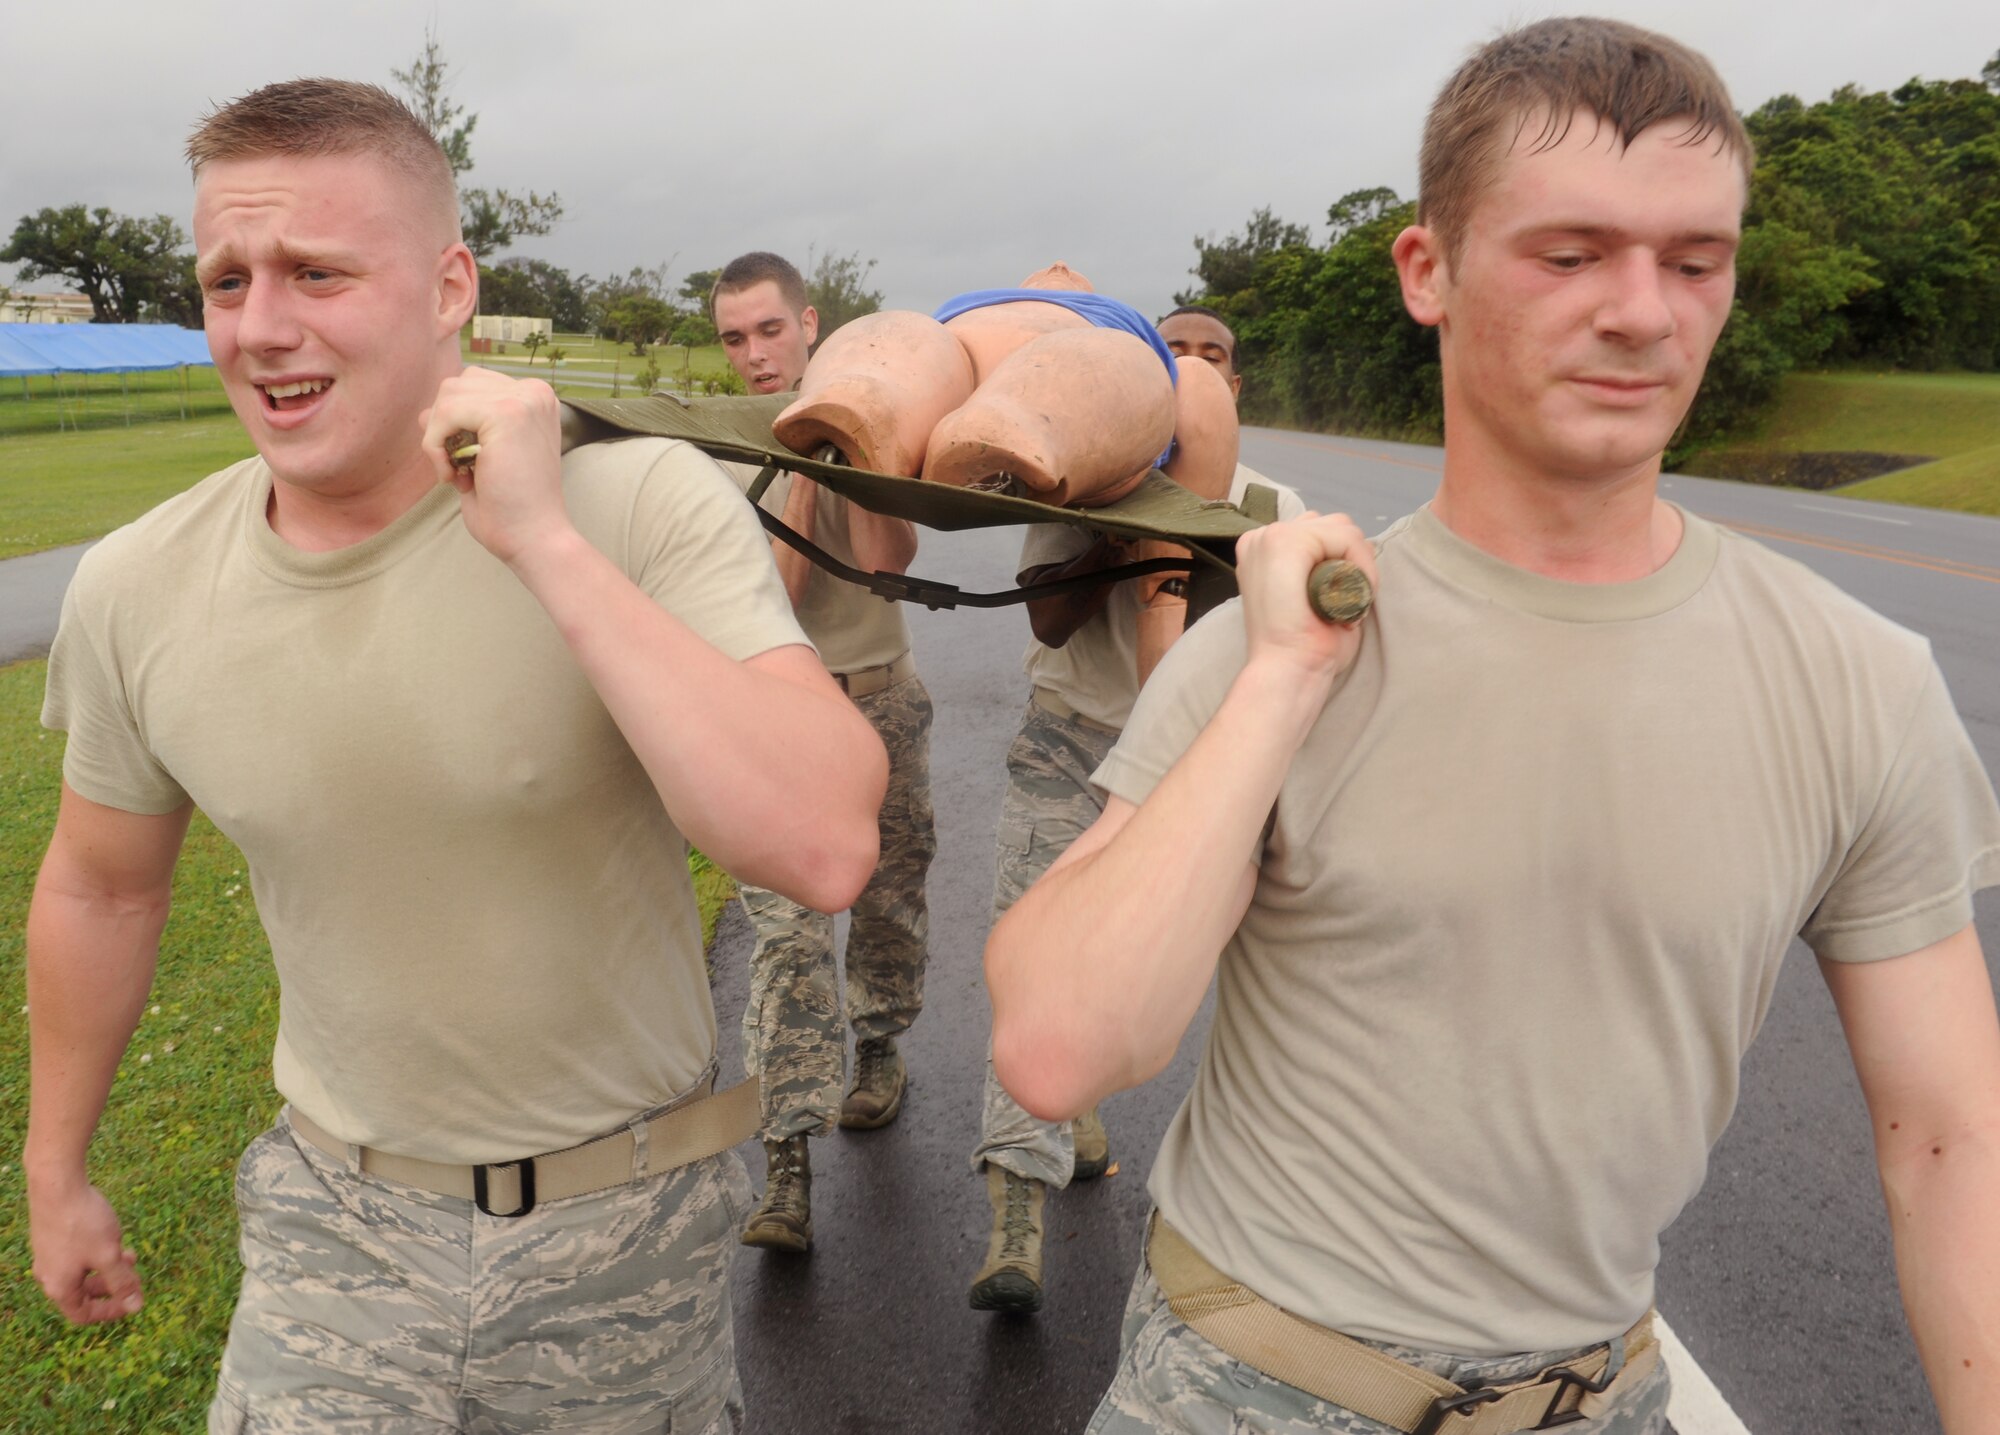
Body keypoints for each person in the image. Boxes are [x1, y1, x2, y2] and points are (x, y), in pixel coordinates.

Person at [987, 18, 2000, 1433]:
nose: (1644, 310)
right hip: (1248, 1384)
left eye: (1695, 260)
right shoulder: (1275, 646)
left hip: (1597, 1394)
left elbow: (1952, 1140)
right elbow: (1059, 1043)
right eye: (1572, 254)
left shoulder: (1858, 680)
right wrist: (1282, 681)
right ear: (1430, 270)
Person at [24, 81, 886, 1434]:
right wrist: (52, 1161)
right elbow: (103, 885)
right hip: (336, 1229)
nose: (261, 327)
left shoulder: (634, 500)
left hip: (627, 1232)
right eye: (226, 279)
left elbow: (822, 842)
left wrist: (543, 543)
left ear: (448, 287)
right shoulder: (137, 584)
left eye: (317, 271)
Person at [968, 308, 1307, 1314]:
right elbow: (1046, 615)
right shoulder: (1083, 476)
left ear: (1234, 391)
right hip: (1069, 741)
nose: (1197, 370)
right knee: (1030, 965)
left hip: (1189, 775)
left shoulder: (1271, 509)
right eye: (1178, 355)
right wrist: (1124, 538)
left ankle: (1089, 1123)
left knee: (1156, 988)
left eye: (1215, 356)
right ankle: (1013, 1216)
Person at [710, 252, 938, 1252]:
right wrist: (798, 462)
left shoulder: (870, 427)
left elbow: (889, 562)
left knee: (888, 897)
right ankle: (786, 1158)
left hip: (881, 699)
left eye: (768, 330)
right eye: (733, 338)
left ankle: (879, 1047)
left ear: (809, 326)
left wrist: (845, 437)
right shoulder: (716, 454)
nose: (755, 354)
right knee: (787, 941)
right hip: (775, 719)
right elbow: (773, 598)